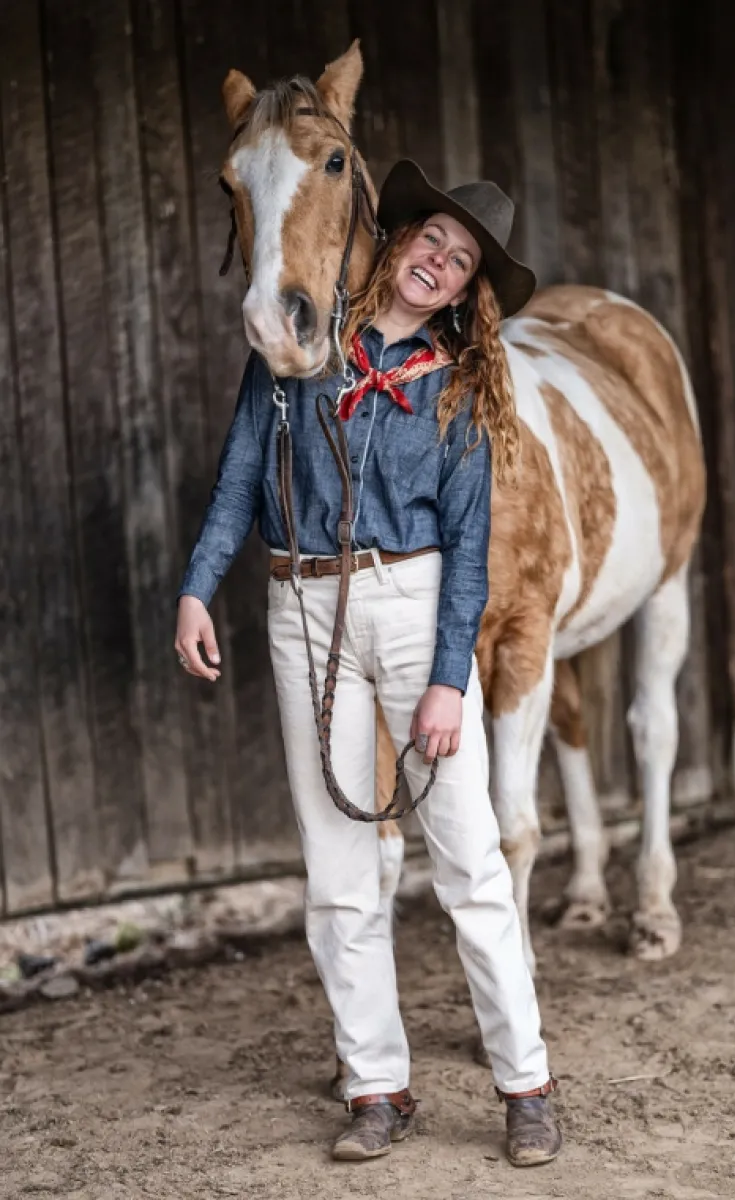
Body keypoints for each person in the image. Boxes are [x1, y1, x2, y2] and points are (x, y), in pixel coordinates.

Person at [175, 159, 562, 1168]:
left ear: (469, 289)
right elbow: (234, 483)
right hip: (299, 604)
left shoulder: (458, 391)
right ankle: (374, 1086)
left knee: (468, 861)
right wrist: (194, 588)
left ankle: (524, 1082)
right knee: (338, 873)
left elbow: (469, 552)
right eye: (430, 239)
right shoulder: (297, 352)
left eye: (461, 259)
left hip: (411, 603)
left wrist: (447, 678)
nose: (438, 260)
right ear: (397, 242)